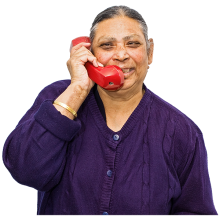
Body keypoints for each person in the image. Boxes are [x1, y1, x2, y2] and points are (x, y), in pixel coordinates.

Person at [2, 5, 217, 215]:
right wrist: (77, 90)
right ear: (88, 53)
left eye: (132, 43)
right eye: (107, 46)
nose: (121, 55)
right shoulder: (60, 97)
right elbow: (25, 170)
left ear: (150, 53)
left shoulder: (183, 131)